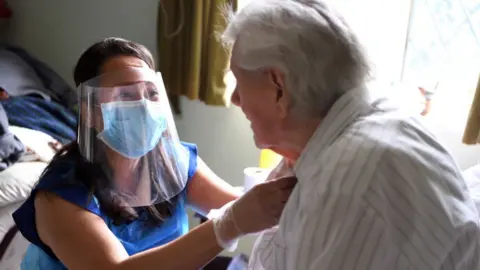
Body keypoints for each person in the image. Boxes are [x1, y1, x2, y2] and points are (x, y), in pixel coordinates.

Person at [222, 0, 480, 269]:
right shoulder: (349, 129)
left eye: (240, 82)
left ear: (278, 89)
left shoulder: (346, 187)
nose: (236, 98)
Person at [12, 37, 297, 270]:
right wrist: (229, 224)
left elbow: (247, 208)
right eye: (124, 96)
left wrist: (291, 156)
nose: (143, 106)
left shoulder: (174, 162)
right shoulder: (59, 198)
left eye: (151, 94)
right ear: (90, 111)